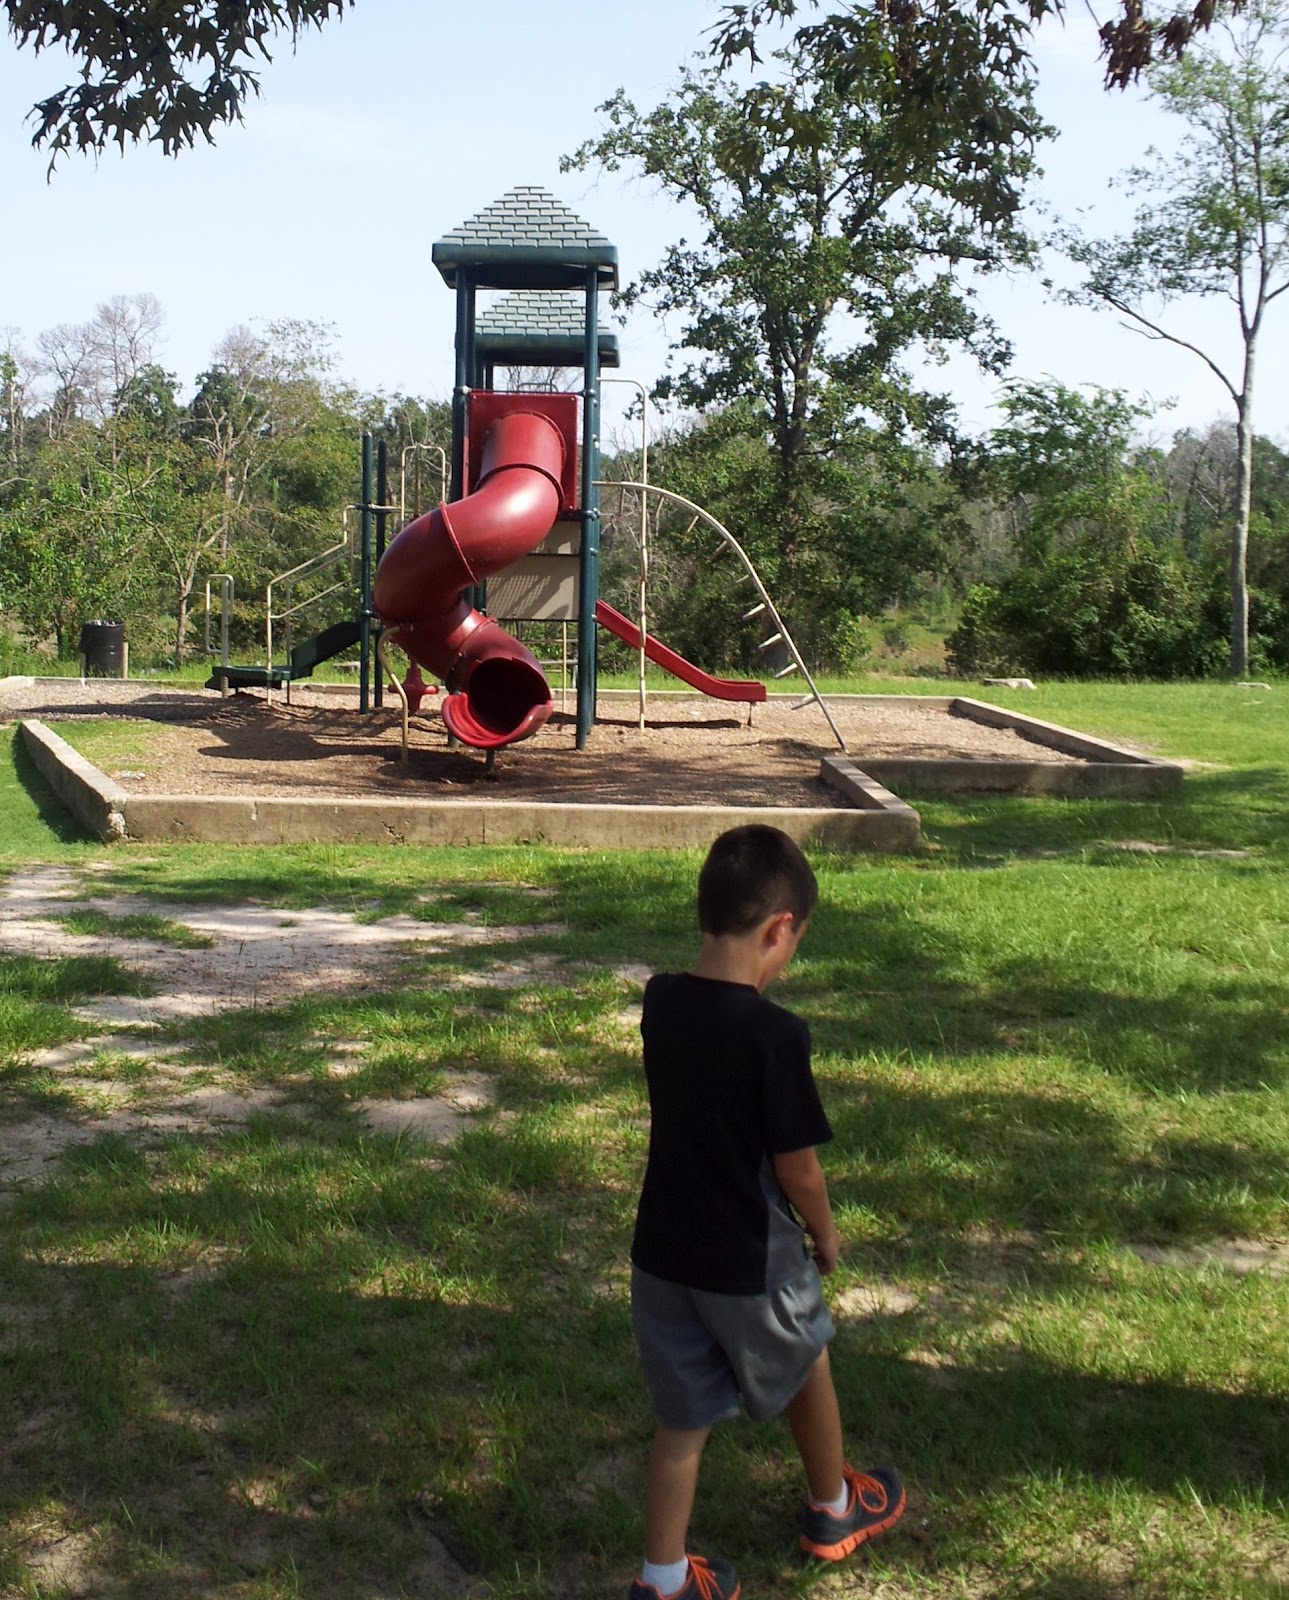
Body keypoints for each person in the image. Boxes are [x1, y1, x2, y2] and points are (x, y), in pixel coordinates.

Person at [628, 824, 905, 1600]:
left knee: (681, 1421)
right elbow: (798, 1169)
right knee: (807, 1354)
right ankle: (834, 1507)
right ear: (779, 928)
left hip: (661, 1256)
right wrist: (825, 1233)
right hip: (750, 1257)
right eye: (794, 944)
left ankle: (662, 1578)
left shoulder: (661, 1001)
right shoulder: (774, 1036)